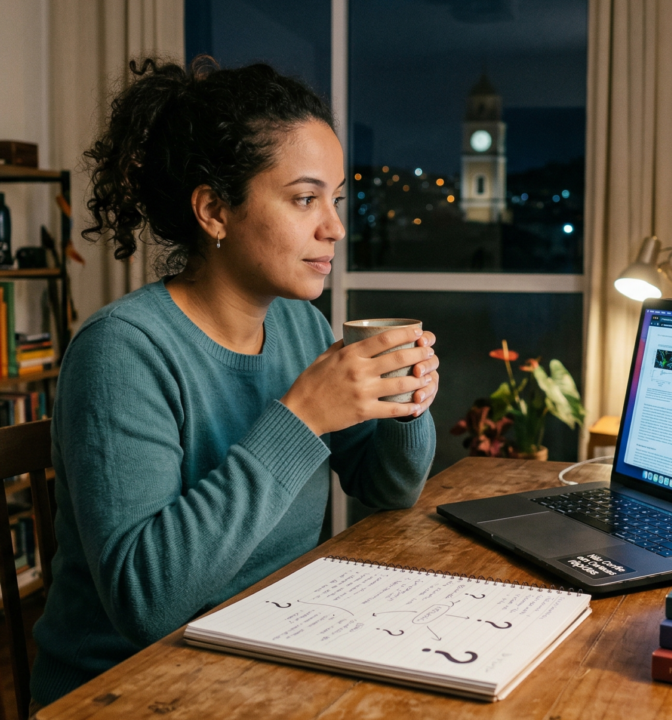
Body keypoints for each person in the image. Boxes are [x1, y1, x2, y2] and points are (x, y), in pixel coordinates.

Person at [29, 57, 440, 707]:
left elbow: (386, 489)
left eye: (333, 201)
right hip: (130, 690)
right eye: (305, 199)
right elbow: (146, 600)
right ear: (214, 210)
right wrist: (301, 420)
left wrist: (406, 404)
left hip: (270, 655)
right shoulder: (121, 353)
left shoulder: (301, 328)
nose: (333, 227)